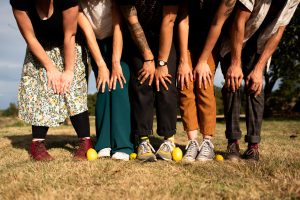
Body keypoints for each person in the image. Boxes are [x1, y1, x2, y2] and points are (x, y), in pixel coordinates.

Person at [10, 0, 92, 161]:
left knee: (73, 87)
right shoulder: (20, 2)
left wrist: (68, 71)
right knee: (42, 87)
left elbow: (70, 35)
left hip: (68, 45)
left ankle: (85, 142)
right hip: (40, 48)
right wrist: (51, 68)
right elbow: (30, 37)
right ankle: (37, 144)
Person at [220, 0, 299, 161]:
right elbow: (239, 20)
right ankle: (233, 143)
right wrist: (235, 63)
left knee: (256, 87)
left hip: (259, 45)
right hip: (235, 38)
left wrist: (259, 69)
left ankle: (253, 147)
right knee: (232, 84)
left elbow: (279, 32)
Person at [118, 0, 180, 161]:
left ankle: (169, 139)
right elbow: (132, 22)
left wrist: (161, 63)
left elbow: (169, 20)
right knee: (142, 82)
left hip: (165, 34)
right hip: (138, 38)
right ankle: (143, 140)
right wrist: (147, 58)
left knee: (165, 82)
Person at [177, 0, 236, 162]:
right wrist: (183, 61)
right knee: (185, 82)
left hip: (211, 42)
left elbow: (217, 23)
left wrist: (203, 61)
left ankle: (207, 143)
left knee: (204, 82)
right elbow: (183, 20)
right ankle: (192, 142)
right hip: (186, 42)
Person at [78, 0, 134, 161]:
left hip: (120, 41)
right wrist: (101, 65)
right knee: (103, 87)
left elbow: (118, 26)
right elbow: (88, 34)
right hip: (97, 45)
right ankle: (104, 143)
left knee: (118, 84)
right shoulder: (77, 3)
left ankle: (123, 145)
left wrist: (115, 62)